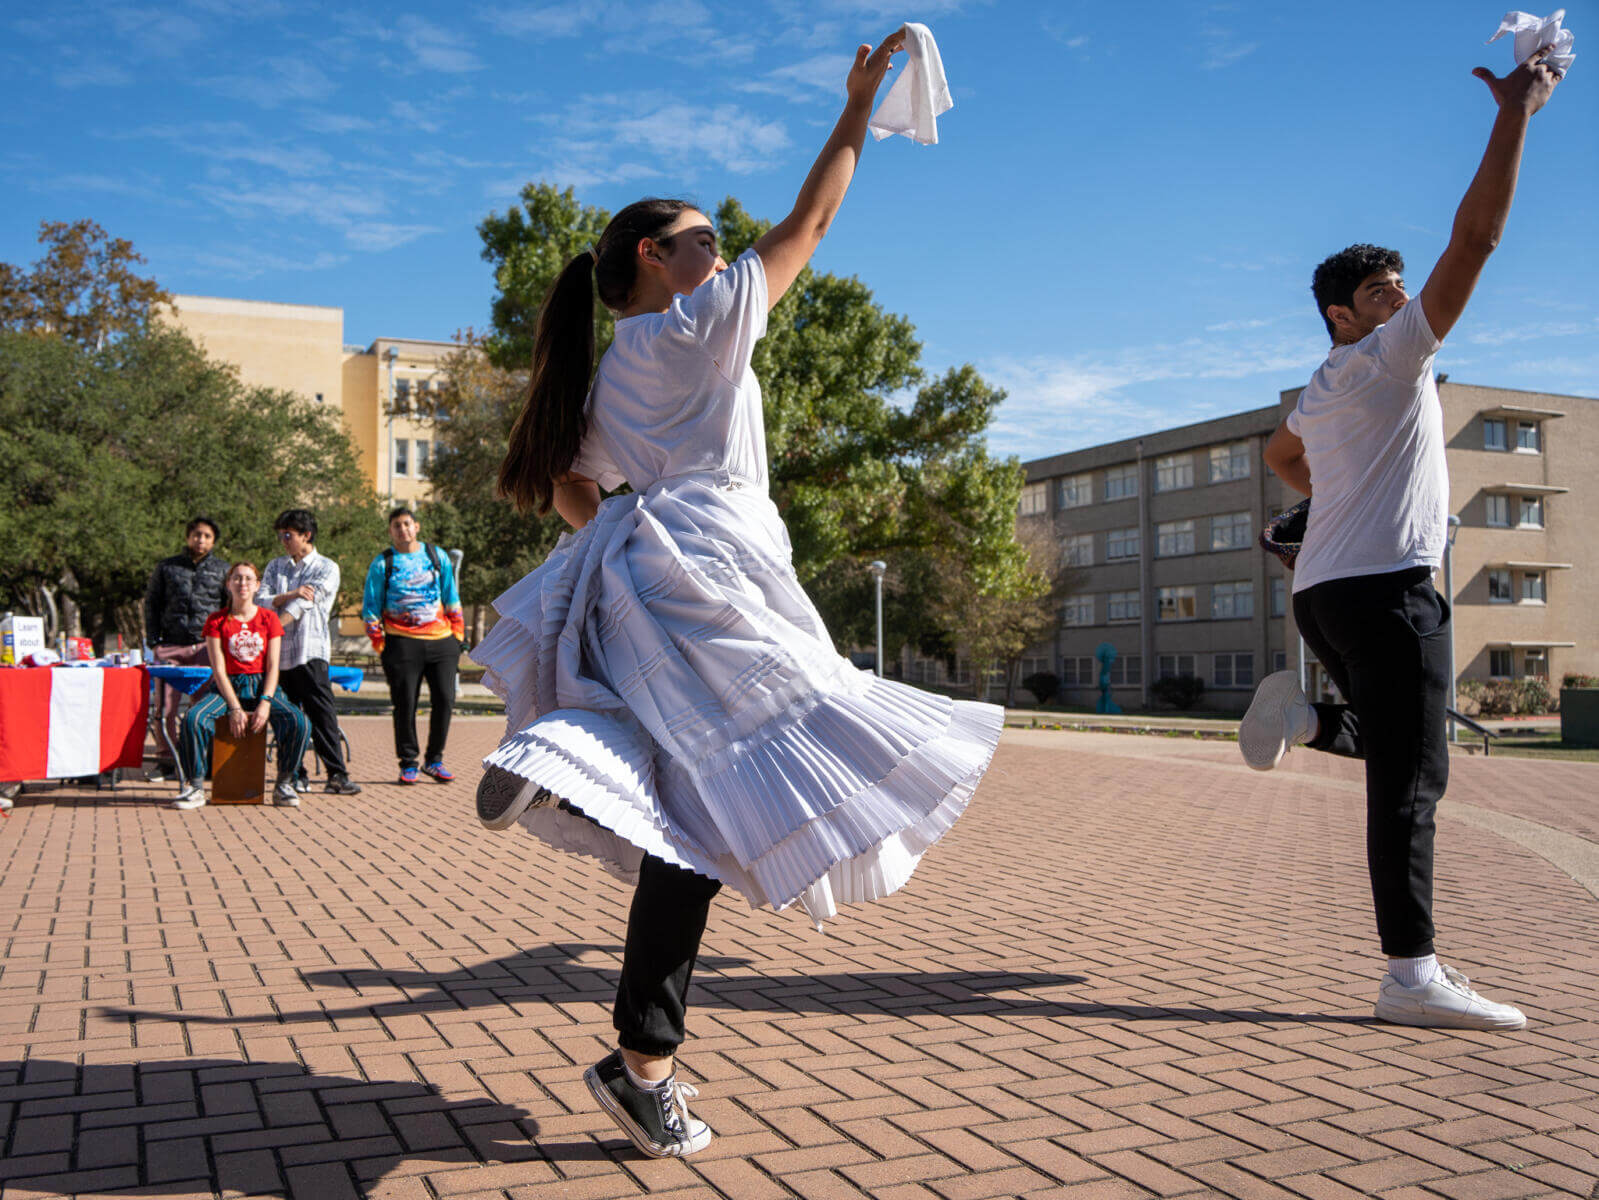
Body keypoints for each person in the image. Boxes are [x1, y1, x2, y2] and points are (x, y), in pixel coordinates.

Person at [470, 29, 1001, 1159]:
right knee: (796, 729)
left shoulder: (610, 367)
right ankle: (558, 776)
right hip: (714, 555)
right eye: (702, 235)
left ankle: (566, 780)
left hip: (644, 563)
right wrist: (857, 110)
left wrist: (621, 524)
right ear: (656, 260)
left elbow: (572, 485)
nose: (722, 246)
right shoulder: (698, 325)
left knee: (691, 809)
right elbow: (812, 224)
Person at [1243, 47, 1564, 1032]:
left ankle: (1305, 725)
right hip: (1387, 591)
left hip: (1328, 593)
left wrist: (1330, 506)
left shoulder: (1323, 386)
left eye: (1398, 286)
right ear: (1345, 315)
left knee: (1402, 756)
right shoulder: (1386, 359)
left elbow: (1281, 457)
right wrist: (1516, 115)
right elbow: (1477, 239)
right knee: (1415, 782)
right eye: (1381, 292)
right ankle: (1411, 976)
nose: (1401, 298)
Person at [173, 561, 313, 811]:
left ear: (257, 585)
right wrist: (234, 708)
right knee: (194, 718)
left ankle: (284, 784)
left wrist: (265, 703)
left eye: (248, 579)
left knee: (298, 721)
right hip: (228, 686)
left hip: (262, 685)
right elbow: (218, 669)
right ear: (228, 584)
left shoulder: (269, 619)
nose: (242, 583)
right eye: (237, 578)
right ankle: (194, 785)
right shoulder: (216, 621)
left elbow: (273, 667)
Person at [259, 509, 360, 795]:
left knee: (321, 714)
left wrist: (276, 622)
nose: (283, 540)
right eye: (280, 535)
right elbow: (261, 600)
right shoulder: (275, 567)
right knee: (286, 717)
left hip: (310, 651)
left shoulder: (326, 567)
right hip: (279, 655)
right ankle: (293, 773)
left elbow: (306, 604)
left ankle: (337, 774)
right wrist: (290, 594)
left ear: (307, 535)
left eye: (288, 535)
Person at [361, 508, 464, 785]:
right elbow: (370, 607)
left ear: (416, 527)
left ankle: (434, 760)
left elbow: (451, 596)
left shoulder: (436, 555)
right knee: (404, 704)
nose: (402, 529)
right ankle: (408, 763)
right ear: (391, 531)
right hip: (401, 643)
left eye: (407, 524)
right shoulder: (383, 563)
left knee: (445, 699)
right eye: (396, 525)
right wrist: (380, 644)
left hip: (442, 641)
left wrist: (457, 635)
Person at [143, 516, 229, 778]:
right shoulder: (167, 567)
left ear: (213, 541)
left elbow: (227, 608)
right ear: (187, 537)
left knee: (203, 707)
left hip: (206, 647)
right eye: (196, 534)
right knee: (165, 709)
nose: (200, 540)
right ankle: (166, 761)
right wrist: (154, 639)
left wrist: (221, 643)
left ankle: (198, 760)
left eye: (206, 536)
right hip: (170, 646)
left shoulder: (223, 570)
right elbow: (152, 603)